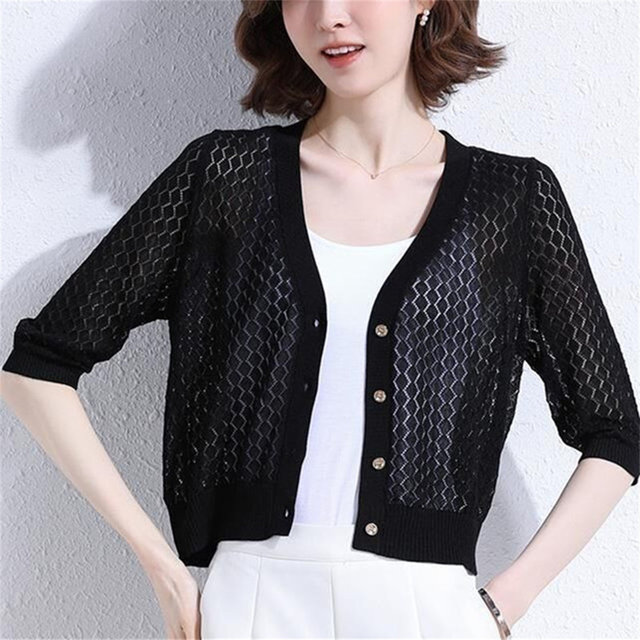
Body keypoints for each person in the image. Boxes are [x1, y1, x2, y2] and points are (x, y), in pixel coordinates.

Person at [2, 1, 639, 639]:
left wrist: (500, 606)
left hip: (426, 608)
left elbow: (615, 433)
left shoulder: (510, 201)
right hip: (254, 599)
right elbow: (38, 368)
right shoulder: (225, 179)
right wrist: (163, 568)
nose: (330, 16)